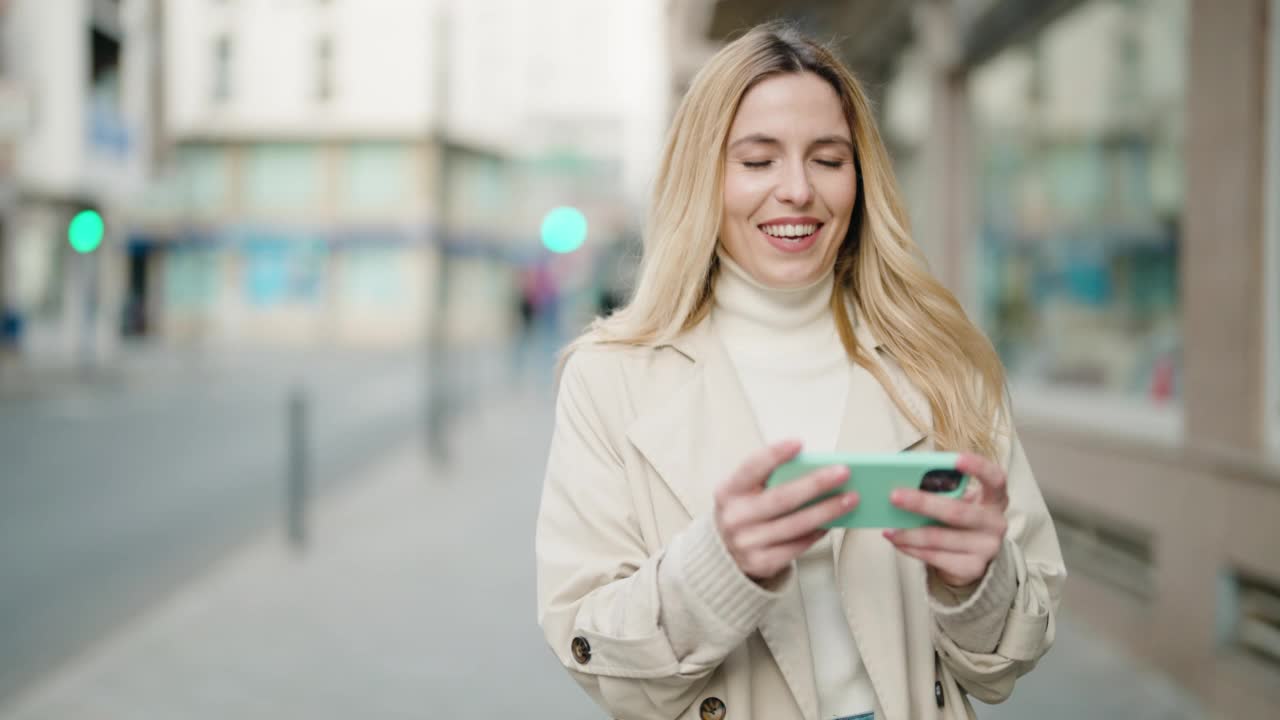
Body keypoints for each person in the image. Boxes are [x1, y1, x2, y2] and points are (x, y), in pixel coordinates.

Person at [535, 23, 1065, 720]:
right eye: (757, 161)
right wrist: (717, 569)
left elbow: (1011, 656)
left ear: (861, 176)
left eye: (828, 159)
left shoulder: (942, 361)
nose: (797, 190)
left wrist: (978, 582)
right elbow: (592, 648)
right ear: (705, 176)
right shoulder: (608, 378)